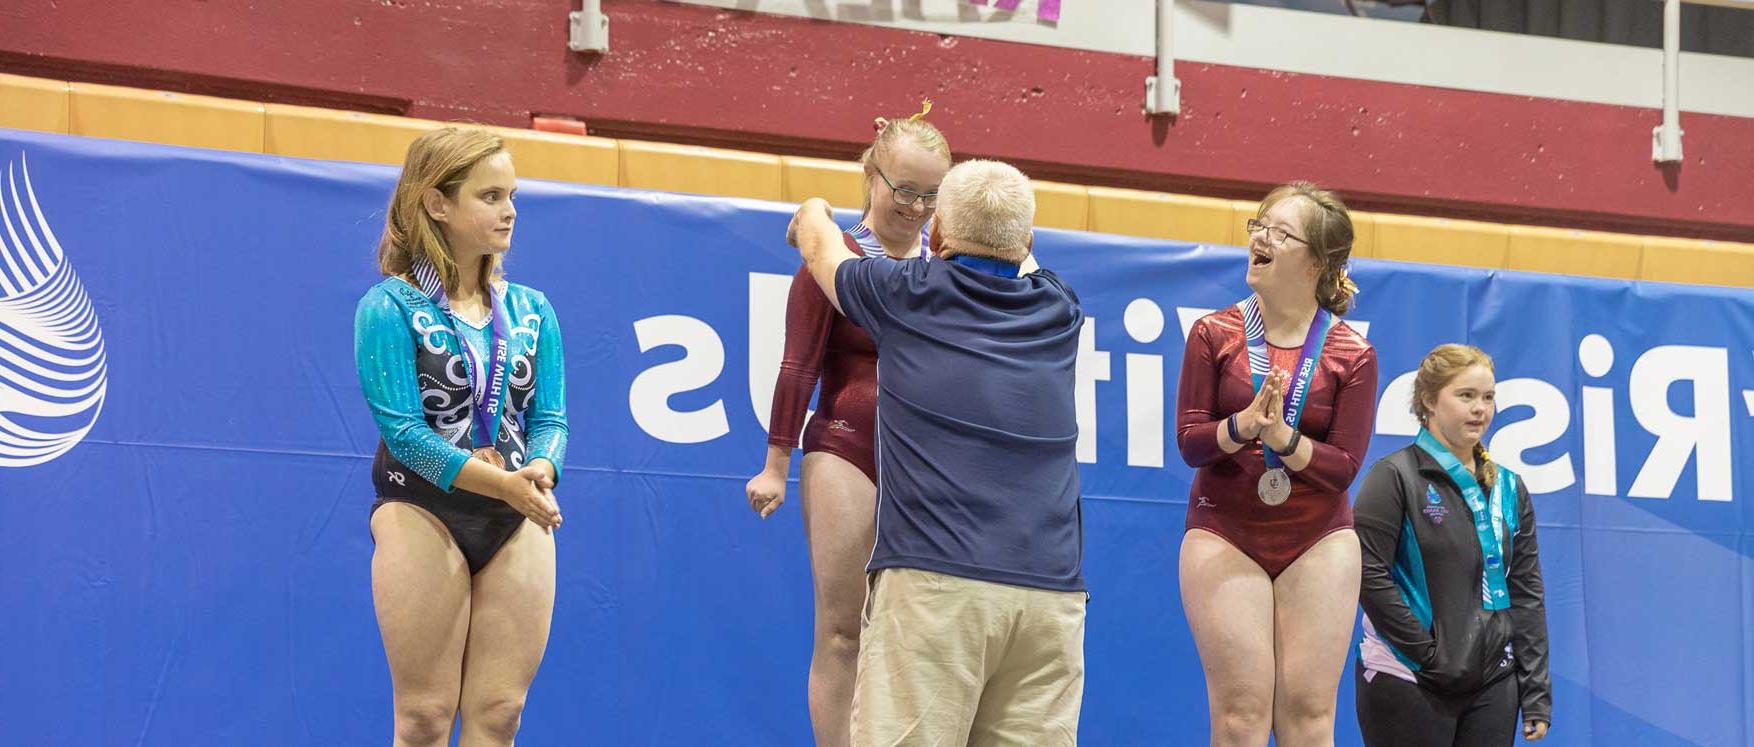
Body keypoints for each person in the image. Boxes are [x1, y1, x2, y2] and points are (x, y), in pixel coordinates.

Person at [787, 158, 1085, 746]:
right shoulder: (1061, 309)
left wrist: (813, 211)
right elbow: (1019, 250)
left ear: (938, 236)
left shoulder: (906, 294)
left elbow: (821, 247)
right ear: (1027, 240)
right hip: (1051, 599)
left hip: (936, 588)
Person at [354, 126, 568, 747]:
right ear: (437, 203)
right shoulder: (388, 307)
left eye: (512, 196)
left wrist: (542, 471)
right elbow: (404, 433)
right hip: (423, 509)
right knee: (422, 719)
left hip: (517, 513)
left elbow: (550, 420)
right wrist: (504, 482)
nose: (510, 212)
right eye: (491, 196)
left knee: (499, 714)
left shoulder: (531, 310)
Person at [744, 103, 949, 747]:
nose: (914, 206)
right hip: (844, 449)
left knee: (918, 630)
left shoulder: (947, 266)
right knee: (841, 628)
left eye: (929, 194)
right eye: (903, 189)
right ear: (871, 175)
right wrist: (776, 464)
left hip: (925, 463)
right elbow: (797, 364)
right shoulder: (831, 257)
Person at [1174, 182, 1378, 745]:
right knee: (1240, 716)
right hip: (1225, 531)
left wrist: (1285, 440)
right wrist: (1242, 427)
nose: (1260, 238)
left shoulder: (1350, 353)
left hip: (1318, 539)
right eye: (1258, 226)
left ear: (1317, 262)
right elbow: (1191, 442)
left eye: (1280, 232)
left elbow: (1342, 468)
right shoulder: (1213, 333)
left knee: (1309, 717)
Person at [1353, 344, 1551, 746]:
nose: (1480, 409)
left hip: (1493, 680)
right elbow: (1368, 575)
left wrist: (1535, 693)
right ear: (1428, 400)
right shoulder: (1392, 477)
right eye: (1466, 396)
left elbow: (1526, 592)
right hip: (1408, 675)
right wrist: (1428, 655)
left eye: (1488, 397)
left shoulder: (1510, 488)